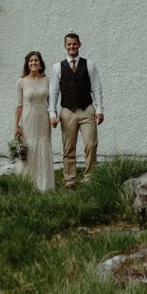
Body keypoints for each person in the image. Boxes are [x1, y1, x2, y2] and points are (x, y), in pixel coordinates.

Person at [48, 33, 104, 188]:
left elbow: (97, 88)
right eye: (69, 44)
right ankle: (70, 179)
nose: (72, 47)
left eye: (74, 44)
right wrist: (52, 113)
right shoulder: (57, 67)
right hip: (67, 111)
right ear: (65, 46)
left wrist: (99, 109)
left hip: (87, 109)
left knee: (91, 144)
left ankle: (90, 177)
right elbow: (53, 91)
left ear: (80, 44)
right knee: (68, 147)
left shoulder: (89, 64)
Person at [14, 51, 55, 192]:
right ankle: (28, 183)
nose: (33, 63)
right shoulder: (21, 82)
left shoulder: (47, 80)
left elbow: (52, 102)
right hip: (28, 118)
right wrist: (16, 126)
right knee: (30, 148)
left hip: (43, 118)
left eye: (36, 60)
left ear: (40, 63)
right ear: (27, 63)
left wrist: (53, 116)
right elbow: (19, 105)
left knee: (43, 145)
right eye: (31, 61)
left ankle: (45, 183)